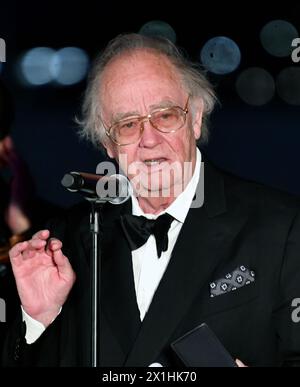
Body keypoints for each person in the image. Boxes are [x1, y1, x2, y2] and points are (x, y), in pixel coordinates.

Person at [3, 33, 300, 367]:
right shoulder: (68, 240)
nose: (149, 139)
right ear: (107, 144)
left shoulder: (283, 228)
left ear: (196, 117)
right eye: (128, 124)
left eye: (165, 115)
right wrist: (39, 321)